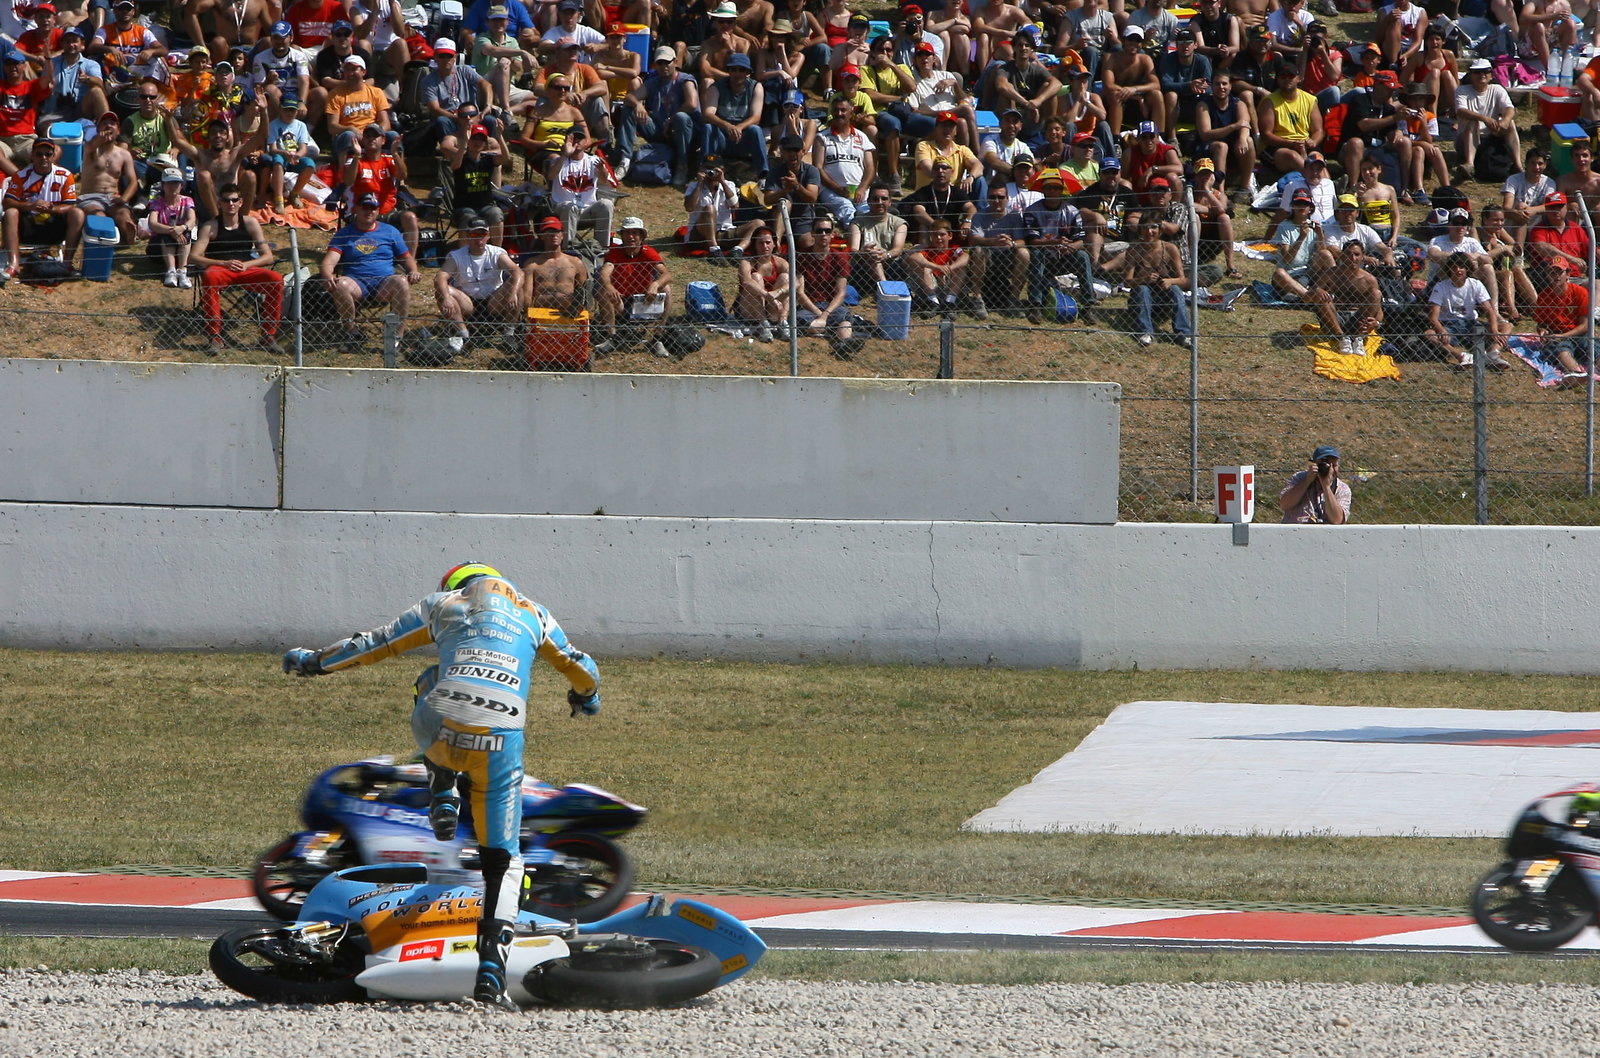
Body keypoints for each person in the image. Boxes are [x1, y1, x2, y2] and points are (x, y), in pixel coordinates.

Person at [281, 561, 600, 1012]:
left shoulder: (445, 604)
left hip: (439, 727)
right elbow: (581, 666)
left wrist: (314, 662)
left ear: (455, 585)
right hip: (501, 743)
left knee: (430, 682)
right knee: (504, 862)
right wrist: (586, 698)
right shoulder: (536, 614)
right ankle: (491, 975)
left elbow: (373, 644)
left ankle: (442, 787)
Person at [320, 190, 421, 352]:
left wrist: (413, 271)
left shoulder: (390, 231)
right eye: (365, 207)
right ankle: (352, 332)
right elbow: (329, 261)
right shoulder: (344, 234)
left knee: (401, 282)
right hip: (356, 283)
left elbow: (407, 257)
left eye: (373, 208)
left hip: (384, 284)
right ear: (356, 209)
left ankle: (397, 336)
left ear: (378, 211)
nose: (369, 211)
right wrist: (327, 275)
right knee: (341, 284)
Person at [191, 181, 282, 353]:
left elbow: (268, 256)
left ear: (241, 202)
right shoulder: (211, 226)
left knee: (276, 279)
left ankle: (268, 335)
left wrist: (247, 265)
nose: (231, 204)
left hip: (246, 268)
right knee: (210, 276)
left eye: (234, 200)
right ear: (220, 203)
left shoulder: (250, 223)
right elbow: (194, 256)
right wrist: (223, 263)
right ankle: (215, 336)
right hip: (221, 269)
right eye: (226, 200)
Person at [433, 218, 521, 355]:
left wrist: (513, 293)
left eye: (483, 234)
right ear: (467, 236)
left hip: (494, 301)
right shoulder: (456, 255)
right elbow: (440, 277)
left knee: (517, 285)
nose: (479, 239)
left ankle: (509, 333)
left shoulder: (497, 253)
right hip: (468, 302)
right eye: (474, 235)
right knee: (442, 291)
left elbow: (518, 273)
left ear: (488, 236)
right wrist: (446, 298)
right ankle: (463, 334)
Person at [618, 47, 698, 190]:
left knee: (681, 117)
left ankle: (682, 165)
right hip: (660, 131)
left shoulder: (686, 80)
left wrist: (671, 120)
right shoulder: (653, 82)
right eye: (660, 63)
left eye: (667, 62)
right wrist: (638, 104)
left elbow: (692, 104)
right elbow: (629, 98)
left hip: (684, 134)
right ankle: (625, 159)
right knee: (629, 108)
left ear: (675, 62)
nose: (664, 66)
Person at [595, 214, 671, 356]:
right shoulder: (615, 252)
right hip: (621, 301)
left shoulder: (648, 252)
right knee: (603, 290)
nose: (631, 237)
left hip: (644, 300)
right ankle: (612, 337)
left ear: (641, 236)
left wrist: (655, 284)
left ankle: (657, 338)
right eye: (627, 233)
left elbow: (666, 274)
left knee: (666, 288)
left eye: (635, 233)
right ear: (622, 236)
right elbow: (605, 272)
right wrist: (609, 286)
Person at [1427, 251, 1508, 369]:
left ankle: (1492, 353)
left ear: (1467, 269)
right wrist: (1441, 330)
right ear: (1449, 269)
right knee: (1429, 334)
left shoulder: (1475, 284)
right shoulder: (1440, 287)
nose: (1458, 270)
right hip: (1449, 325)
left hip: (1471, 324)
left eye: (1461, 267)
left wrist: (1494, 329)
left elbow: (1489, 310)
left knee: (1507, 326)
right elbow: (1433, 317)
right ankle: (1461, 356)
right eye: (1454, 267)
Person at [1123, 216, 1191, 346]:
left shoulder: (1170, 248)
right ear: (1140, 230)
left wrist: (1171, 281)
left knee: (1175, 289)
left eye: (1153, 227)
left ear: (1160, 230)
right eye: (1145, 227)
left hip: (1164, 303)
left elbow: (1182, 280)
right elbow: (1127, 282)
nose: (1149, 232)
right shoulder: (1134, 250)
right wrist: (1143, 279)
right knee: (1143, 289)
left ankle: (1184, 334)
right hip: (1140, 301)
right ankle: (1145, 332)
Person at [1309, 239, 1383, 356]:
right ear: (1342, 256)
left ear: (1362, 257)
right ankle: (1342, 338)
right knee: (1323, 297)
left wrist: (1377, 323)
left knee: (1376, 293)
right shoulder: (1331, 273)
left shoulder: (1369, 280)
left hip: (1358, 320)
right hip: (1335, 318)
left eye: (1356, 254)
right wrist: (1318, 290)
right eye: (1348, 254)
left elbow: (1378, 309)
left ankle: (1358, 338)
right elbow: (1310, 294)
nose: (1352, 258)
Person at [77, 111, 136, 245]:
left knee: (123, 215)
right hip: (90, 197)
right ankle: (105, 233)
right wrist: (99, 139)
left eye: (112, 123)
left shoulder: (124, 154)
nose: (108, 126)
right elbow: (91, 145)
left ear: (118, 130)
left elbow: (133, 181)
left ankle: (128, 234)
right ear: (97, 129)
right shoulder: (91, 149)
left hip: (112, 197)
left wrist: (124, 198)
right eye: (104, 123)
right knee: (99, 217)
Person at [1531, 263, 1594, 383]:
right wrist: (1542, 330)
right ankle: (1576, 373)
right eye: (1552, 273)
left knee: (1593, 347)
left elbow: (1585, 325)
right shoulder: (1544, 296)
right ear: (1547, 275)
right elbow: (1540, 323)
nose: (1556, 276)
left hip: (1578, 333)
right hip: (1556, 334)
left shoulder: (1580, 292)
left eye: (1560, 272)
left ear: (1568, 274)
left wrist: (1563, 336)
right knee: (1562, 350)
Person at [521, 214, 589, 312]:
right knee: (552, 297)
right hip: (540, 309)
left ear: (562, 235)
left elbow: (584, 292)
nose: (554, 235)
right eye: (549, 232)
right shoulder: (532, 264)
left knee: (568, 298)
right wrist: (528, 312)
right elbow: (527, 295)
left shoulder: (576, 262)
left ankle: (573, 310)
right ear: (542, 236)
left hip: (569, 308)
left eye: (557, 231)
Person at [145, 166, 195, 287]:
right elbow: (152, 223)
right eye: (169, 183)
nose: (173, 187)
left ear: (181, 185)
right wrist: (172, 231)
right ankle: (171, 271)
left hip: (183, 239)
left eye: (176, 183)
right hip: (160, 242)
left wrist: (182, 228)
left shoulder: (187, 200)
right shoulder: (157, 203)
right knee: (166, 237)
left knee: (186, 235)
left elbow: (192, 220)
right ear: (163, 185)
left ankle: (183, 271)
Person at [1279, 444, 1350, 523]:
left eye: (1334, 465)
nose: (1330, 469)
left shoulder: (1342, 488)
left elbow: (1337, 520)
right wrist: (1307, 481)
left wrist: (1326, 487)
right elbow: (1284, 505)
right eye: (1325, 465)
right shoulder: (1299, 478)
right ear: (1314, 464)